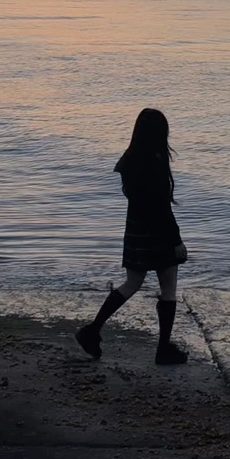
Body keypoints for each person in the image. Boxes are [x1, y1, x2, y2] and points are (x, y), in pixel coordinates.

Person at [75, 107, 189, 365]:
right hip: (158, 230)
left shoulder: (130, 158)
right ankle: (163, 350)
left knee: (132, 283)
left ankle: (92, 330)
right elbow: (162, 206)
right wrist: (177, 240)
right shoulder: (156, 159)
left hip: (136, 228)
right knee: (168, 287)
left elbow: (136, 197)